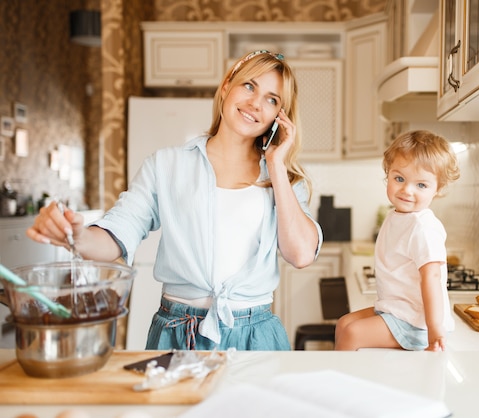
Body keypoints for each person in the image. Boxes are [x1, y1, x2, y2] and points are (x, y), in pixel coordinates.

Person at [26, 50, 323, 351]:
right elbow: (118, 233)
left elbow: (300, 255)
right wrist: (75, 235)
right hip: (177, 333)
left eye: (272, 99)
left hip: (256, 335)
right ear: (226, 87)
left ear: (279, 117)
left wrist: (275, 164)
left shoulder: (284, 178)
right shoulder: (166, 165)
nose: (256, 103)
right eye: (249, 86)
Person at [335, 130, 460, 351]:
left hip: (417, 323)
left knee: (353, 333)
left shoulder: (423, 227)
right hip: (396, 311)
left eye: (421, 185)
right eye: (399, 178)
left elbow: (431, 277)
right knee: (344, 323)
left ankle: (340, 384)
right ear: (388, 174)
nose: (406, 190)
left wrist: (434, 330)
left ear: (437, 189)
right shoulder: (397, 216)